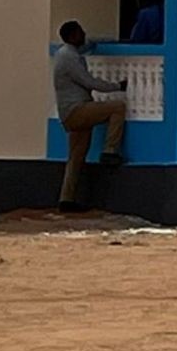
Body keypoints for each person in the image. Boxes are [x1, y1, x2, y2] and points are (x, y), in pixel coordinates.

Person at [52, 20, 127, 211]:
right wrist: (117, 86)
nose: (83, 34)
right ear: (72, 36)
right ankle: (110, 151)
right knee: (117, 107)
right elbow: (90, 82)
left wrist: (102, 42)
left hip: (69, 113)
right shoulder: (70, 57)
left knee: (76, 158)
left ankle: (66, 200)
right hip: (78, 110)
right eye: (80, 32)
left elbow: (86, 46)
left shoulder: (65, 54)